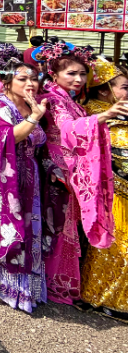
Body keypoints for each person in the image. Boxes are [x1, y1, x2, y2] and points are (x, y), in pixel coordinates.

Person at [36, 42, 125, 305]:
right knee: (57, 230)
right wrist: (104, 116)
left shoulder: (68, 98)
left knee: (65, 228)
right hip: (56, 172)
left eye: (82, 74)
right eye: (71, 73)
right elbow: (68, 129)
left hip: (69, 171)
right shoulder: (52, 98)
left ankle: (58, 282)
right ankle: (53, 284)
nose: (78, 79)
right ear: (54, 74)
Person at [0, 60, 49, 313]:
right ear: (7, 81)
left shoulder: (30, 104)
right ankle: (2, 285)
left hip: (27, 173)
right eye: (22, 79)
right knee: (5, 227)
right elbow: (7, 138)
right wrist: (35, 118)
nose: (30, 84)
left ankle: (25, 287)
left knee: (29, 227)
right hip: (2, 178)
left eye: (34, 79)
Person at [81, 58, 128, 321]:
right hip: (112, 194)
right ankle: (104, 297)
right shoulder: (95, 115)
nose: (127, 93)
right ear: (103, 90)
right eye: (124, 87)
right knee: (116, 248)